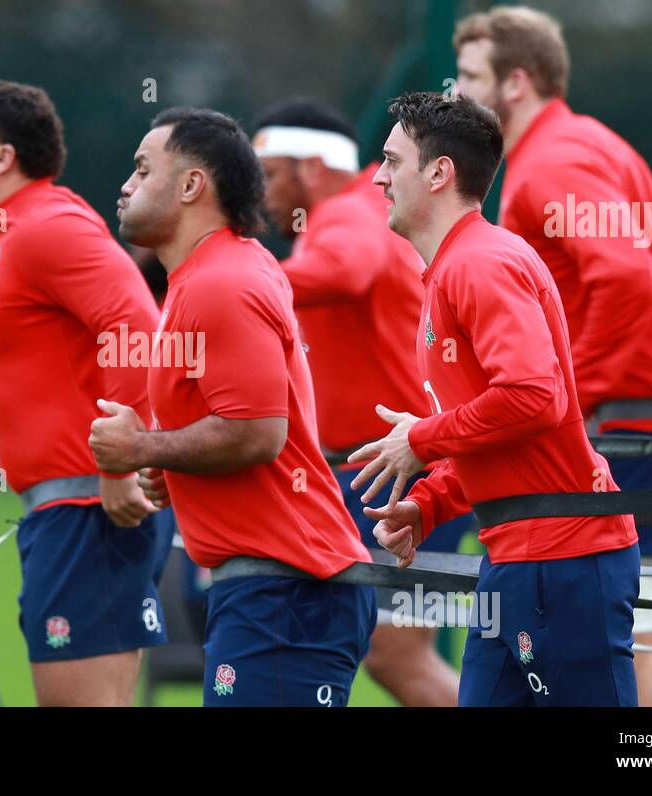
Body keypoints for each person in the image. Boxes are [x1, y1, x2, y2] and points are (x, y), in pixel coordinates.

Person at [452, 5, 652, 706]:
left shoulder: (551, 160)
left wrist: (565, 397)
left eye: (468, 76)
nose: (455, 92)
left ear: (515, 83)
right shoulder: (579, 143)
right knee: (630, 645)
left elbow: (628, 277)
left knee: (636, 647)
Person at [359, 91, 639, 706]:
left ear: (439, 173)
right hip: (514, 558)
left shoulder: (479, 264)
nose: (377, 177)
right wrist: (428, 505)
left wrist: (421, 439)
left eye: (391, 161)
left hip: (564, 560)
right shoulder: (454, 268)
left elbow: (533, 396)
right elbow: (500, 431)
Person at [93, 106, 375, 707]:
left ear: (192, 185)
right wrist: (176, 465)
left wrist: (142, 446)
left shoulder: (221, 281)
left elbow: (257, 433)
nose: (126, 185)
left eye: (143, 170)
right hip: (272, 585)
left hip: (285, 588)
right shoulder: (206, 276)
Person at [0, 77, 170, 706]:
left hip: (88, 508)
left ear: (2, 157)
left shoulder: (47, 226)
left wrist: (123, 461)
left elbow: (137, 328)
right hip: (65, 510)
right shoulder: (8, 237)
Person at [252, 98, 463, 706]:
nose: (261, 190)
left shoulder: (345, 216)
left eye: (269, 173)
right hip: (382, 467)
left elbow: (347, 269)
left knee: (394, 658)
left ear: (312, 169)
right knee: (380, 655)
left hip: (398, 471)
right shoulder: (358, 211)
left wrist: (228, 275)